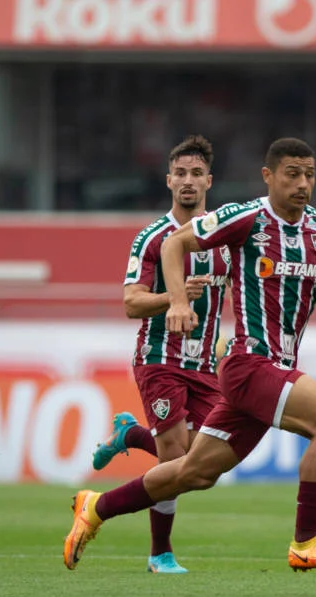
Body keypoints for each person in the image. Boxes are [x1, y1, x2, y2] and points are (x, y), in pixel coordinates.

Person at [63, 138, 316, 573]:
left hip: (267, 368)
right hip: (249, 364)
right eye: (292, 174)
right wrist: (178, 302)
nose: (302, 184)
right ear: (269, 176)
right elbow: (174, 245)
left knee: (194, 473)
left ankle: (96, 508)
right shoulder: (245, 218)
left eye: (309, 175)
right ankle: (307, 540)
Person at [90, 135, 229, 574]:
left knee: (205, 465)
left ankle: (129, 437)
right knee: (173, 458)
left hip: (205, 365)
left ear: (209, 180)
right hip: (159, 357)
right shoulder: (152, 238)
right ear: (169, 181)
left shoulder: (227, 238)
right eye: (180, 174)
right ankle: (159, 554)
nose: (188, 182)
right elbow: (132, 302)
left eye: (196, 174)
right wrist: (174, 297)